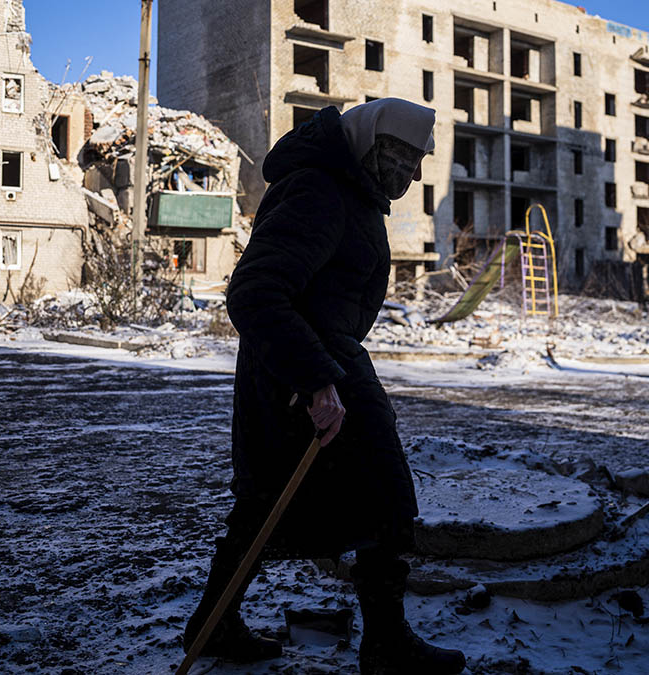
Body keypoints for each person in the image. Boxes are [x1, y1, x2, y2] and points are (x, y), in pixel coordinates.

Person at [183, 98, 466, 675]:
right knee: (384, 501)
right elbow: (255, 292)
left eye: (419, 163)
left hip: (312, 369)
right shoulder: (318, 190)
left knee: (265, 506)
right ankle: (386, 646)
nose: (414, 175)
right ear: (373, 147)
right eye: (407, 159)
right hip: (308, 375)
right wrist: (315, 381)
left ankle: (213, 626)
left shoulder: (347, 190)